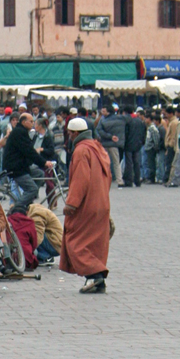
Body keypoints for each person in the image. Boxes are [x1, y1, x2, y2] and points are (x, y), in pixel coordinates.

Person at [60, 118, 111, 294]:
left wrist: (71, 203)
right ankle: (97, 280)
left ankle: (94, 276)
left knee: (76, 241)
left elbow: (81, 179)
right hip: (101, 201)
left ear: (74, 133)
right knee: (93, 242)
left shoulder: (81, 150)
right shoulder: (98, 148)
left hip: (86, 204)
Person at [3, 112, 54, 209]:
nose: (32, 123)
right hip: (16, 167)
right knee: (32, 189)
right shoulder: (19, 132)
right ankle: (16, 209)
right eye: (31, 121)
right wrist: (44, 162)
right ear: (23, 122)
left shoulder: (22, 131)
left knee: (39, 173)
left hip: (21, 165)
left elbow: (29, 151)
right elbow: (29, 151)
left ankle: (28, 201)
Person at [95, 99, 125, 188]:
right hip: (115, 144)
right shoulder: (120, 119)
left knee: (104, 162)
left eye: (104, 111)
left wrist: (108, 136)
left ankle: (104, 179)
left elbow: (99, 130)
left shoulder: (102, 120)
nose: (102, 112)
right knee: (116, 162)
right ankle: (120, 180)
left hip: (105, 143)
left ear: (108, 112)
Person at [122, 105, 146, 187]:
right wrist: (141, 142)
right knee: (137, 163)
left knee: (129, 163)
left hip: (128, 144)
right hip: (138, 144)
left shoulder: (127, 121)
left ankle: (129, 181)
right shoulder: (140, 121)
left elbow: (126, 133)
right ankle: (137, 180)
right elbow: (143, 133)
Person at [143, 113, 161, 184]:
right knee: (149, 163)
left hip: (151, 148)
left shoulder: (152, 128)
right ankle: (150, 177)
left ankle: (151, 178)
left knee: (151, 164)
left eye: (146, 118)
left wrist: (155, 147)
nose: (145, 120)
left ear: (149, 119)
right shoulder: (149, 127)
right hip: (148, 148)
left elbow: (156, 139)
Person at [163, 106, 179, 183]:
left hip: (171, 146)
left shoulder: (174, 123)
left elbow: (173, 136)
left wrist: (170, 145)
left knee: (169, 163)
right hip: (170, 145)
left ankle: (167, 179)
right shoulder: (172, 122)